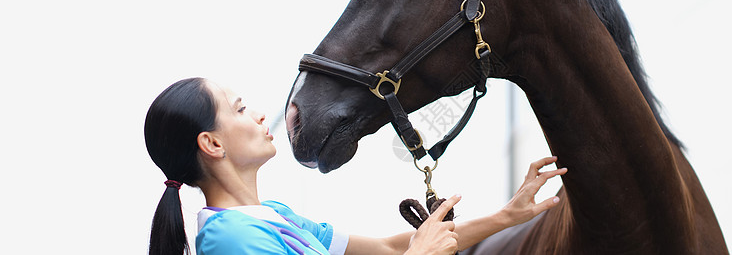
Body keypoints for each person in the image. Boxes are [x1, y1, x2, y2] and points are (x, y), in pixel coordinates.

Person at [145, 77, 567, 255]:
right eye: (239, 110)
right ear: (212, 143)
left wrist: (506, 216)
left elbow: (387, 248)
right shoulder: (232, 240)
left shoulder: (274, 219)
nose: (258, 116)